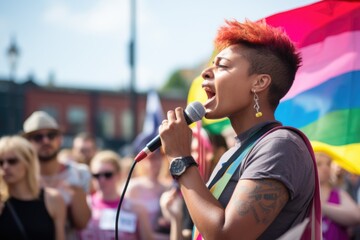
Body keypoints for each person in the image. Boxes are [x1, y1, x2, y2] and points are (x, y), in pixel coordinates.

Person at [159, 19, 319, 239]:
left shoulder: (281, 146)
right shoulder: (235, 152)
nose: (206, 72)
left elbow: (227, 235)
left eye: (222, 66)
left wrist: (181, 159)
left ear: (259, 83)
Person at [22, 110, 92, 240]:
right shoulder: (22, 178)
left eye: (51, 135)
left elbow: (82, 223)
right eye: (38, 137)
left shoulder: (79, 173)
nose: (46, 141)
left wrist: (75, 191)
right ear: (27, 143)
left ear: (59, 139)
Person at [0, 135, 66, 240]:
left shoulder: (53, 199)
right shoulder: (1, 202)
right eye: (1, 162)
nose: (5, 167)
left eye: (12, 161)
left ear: (28, 162)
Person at [79, 150, 154, 240]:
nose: (102, 180)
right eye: (96, 175)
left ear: (119, 175)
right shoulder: (84, 206)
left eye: (108, 175)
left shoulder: (136, 210)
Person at [125, 149, 171, 240]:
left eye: (159, 157)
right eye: (151, 158)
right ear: (142, 162)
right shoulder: (133, 187)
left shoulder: (168, 187)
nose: (155, 162)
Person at [315, 151, 360, 239]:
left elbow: (356, 216)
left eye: (328, 164)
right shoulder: (304, 194)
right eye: (319, 164)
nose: (325, 168)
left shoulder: (338, 193)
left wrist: (321, 206)